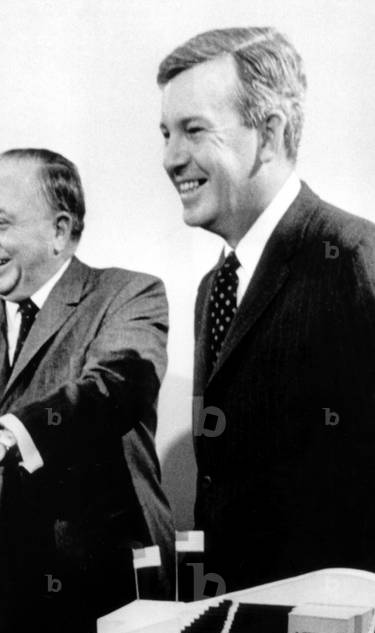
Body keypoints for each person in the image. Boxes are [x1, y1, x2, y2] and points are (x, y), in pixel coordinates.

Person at [0, 148, 173, 633]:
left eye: (0, 222)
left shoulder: (130, 295)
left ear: (59, 230)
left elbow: (111, 391)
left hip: (108, 587)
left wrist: (5, 436)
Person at [158, 27, 375, 592]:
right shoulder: (214, 288)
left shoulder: (355, 258)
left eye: (194, 131)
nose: (171, 158)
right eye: (165, 134)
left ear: (270, 133)